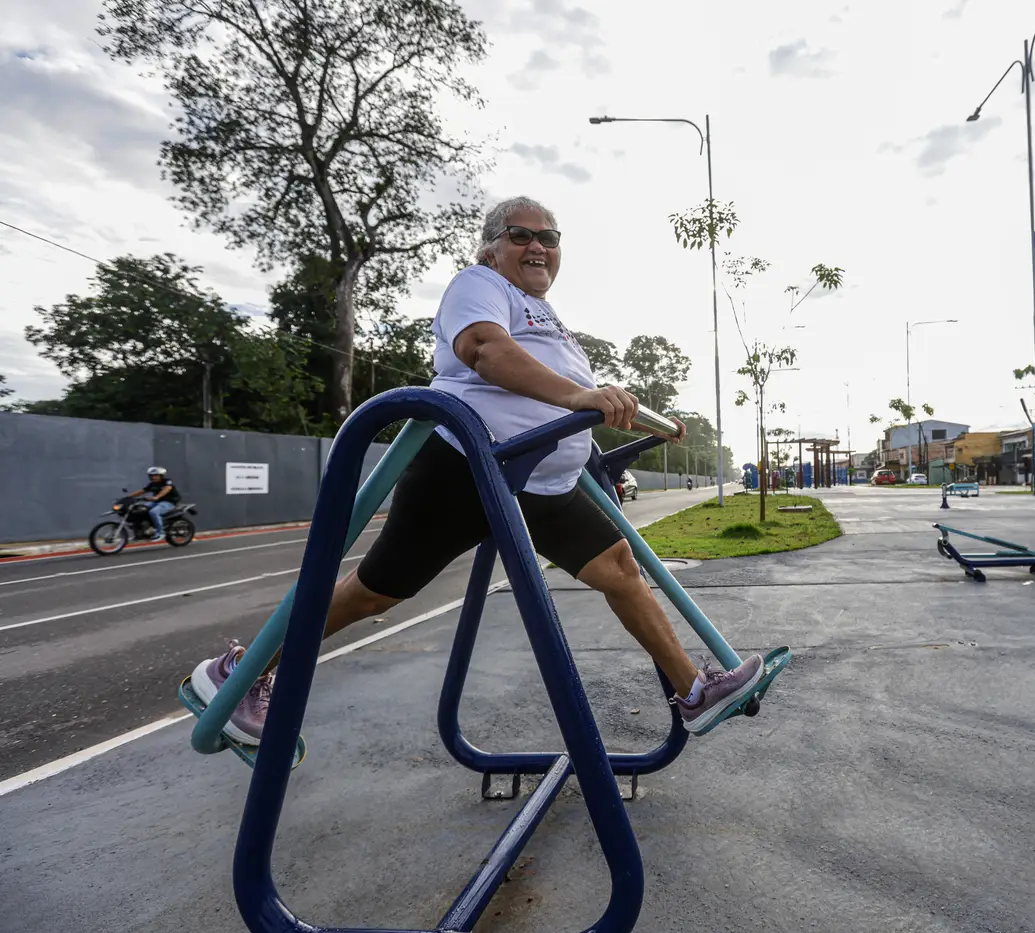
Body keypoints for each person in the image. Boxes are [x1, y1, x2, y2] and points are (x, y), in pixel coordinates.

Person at [190, 196, 764, 747]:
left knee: (620, 567)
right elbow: (485, 351)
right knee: (371, 594)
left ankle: (694, 692)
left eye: (549, 237)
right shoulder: (479, 284)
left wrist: (650, 422)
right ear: (491, 248)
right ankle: (237, 673)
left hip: (542, 483)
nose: (537, 246)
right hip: (467, 468)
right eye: (521, 235)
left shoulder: (550, 317)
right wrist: (580, 396)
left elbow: (577, 395)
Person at [140, 466, 180, 538]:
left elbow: (167, 489)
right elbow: (142, 491)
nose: (153, 477)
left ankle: (161, 533)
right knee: (141, 509)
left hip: (169, 502)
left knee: (153, 512)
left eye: (156, 475)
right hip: (157, 502)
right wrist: (129, 497)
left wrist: (157, 497)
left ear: (161, 476)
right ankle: (146, 529)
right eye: (151, 476)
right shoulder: (152, 484)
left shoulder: (167, 482)